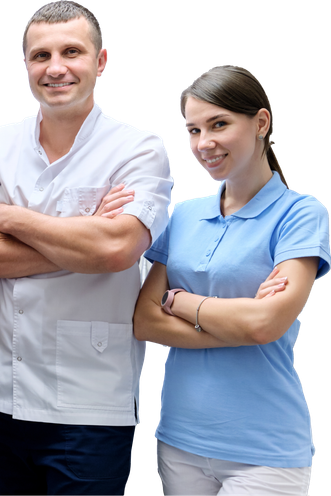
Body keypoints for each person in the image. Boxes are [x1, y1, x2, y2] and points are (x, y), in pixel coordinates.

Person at [0, 1, 173, 494]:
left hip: (91, 400)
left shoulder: (139, 147)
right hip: (5, 393)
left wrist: (6, 218)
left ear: (101, 61)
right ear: (25, 64)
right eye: (40, 55)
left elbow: (116, 250)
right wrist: (83, 237)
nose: (56, 67)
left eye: (72, 52)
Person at [133, 64, 331, 495]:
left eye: (219, 124)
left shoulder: (300, 214)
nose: (204, 143)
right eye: (194, 130)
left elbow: (265, 325)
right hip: (180, 439)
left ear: (261, 123)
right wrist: (240, 320)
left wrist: (181, 303)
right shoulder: (183, 214)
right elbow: (144, 321)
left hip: (265, 448)